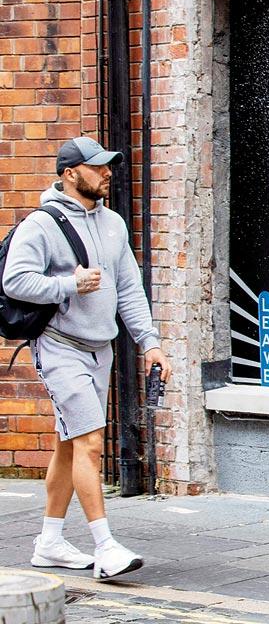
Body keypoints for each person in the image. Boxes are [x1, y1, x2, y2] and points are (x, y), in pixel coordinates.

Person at [2, 136, 173, 579]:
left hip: (101, 350)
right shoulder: (40, 225)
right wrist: (68, 286)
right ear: (70, 174)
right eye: (97, 167)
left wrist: (149, 342)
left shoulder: (113, 224)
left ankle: (50, 542)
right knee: (91, 442)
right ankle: (106, 546)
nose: (107, 172)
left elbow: (130, 290)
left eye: (108, 166)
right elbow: (14, 281)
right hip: (60, 348)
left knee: (69, 443)